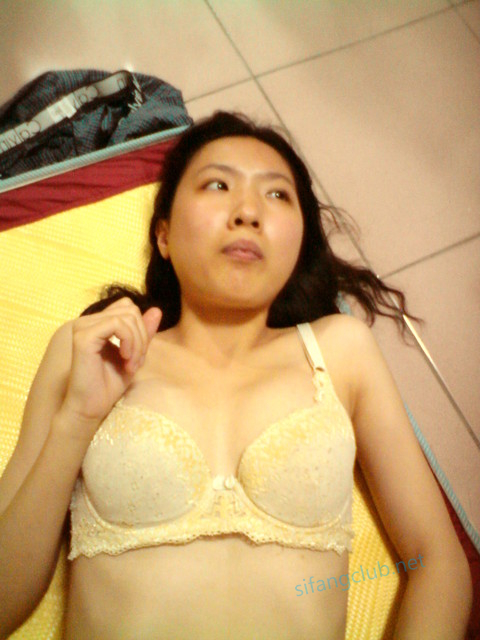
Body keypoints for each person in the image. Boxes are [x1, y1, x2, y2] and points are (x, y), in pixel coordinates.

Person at [0, 112, 472, 640]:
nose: (248, 212)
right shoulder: (92, 350)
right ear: (163, 235)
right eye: (218, 185)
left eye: (277, 195)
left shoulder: (341, 350)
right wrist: (76, 421)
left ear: (298, 245)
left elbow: (436, 561)